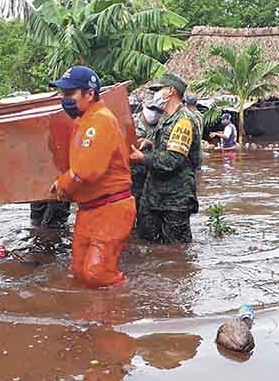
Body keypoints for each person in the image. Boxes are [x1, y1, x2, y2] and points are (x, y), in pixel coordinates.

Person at [49, 66, 136, 288]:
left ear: (89, 93)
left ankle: (119, 315)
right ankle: (89, 319)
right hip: (89, 209)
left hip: (111, 209)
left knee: (96, 273)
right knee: (79, 272)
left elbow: (87, 171)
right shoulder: (83, 120)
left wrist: (62, 184)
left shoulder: (100, 120)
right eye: (63, 94)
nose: (64, 99)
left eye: (70, 94)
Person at [130, 73, 201, 244]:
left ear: (170, 91)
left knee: (177, 253)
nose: (155, 94)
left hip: (174, 200)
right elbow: (165, 149)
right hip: (154, 197)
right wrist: (150, 145)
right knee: (149, 247)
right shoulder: (164, 119)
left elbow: (172, 160)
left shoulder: (183, 121)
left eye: (158, 90)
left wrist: (142, 158)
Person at [130, 95, 162, 208]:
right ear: (143, 105)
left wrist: (151, 144)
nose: (154, 112)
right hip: (133, 178)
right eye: (151, 108)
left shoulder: (163, 125)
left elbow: (168, 153)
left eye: (157, 110)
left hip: (154, 180)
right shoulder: (130, 122)